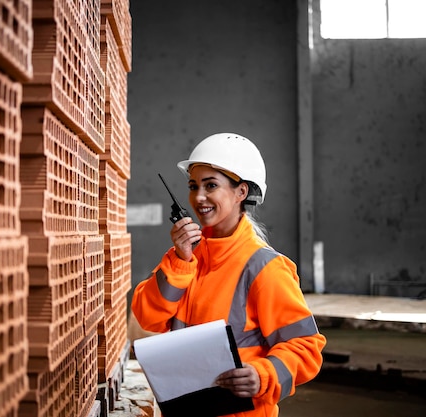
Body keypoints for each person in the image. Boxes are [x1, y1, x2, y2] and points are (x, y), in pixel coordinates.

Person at [131, 133, 327, 416]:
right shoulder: (186, 257)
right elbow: (147, 317)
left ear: (241, 192)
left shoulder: (264, 267)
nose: (199, 197)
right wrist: (179, 261)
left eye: (211, 185)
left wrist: (264, 374)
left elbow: (306, 347)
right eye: (193, 185)